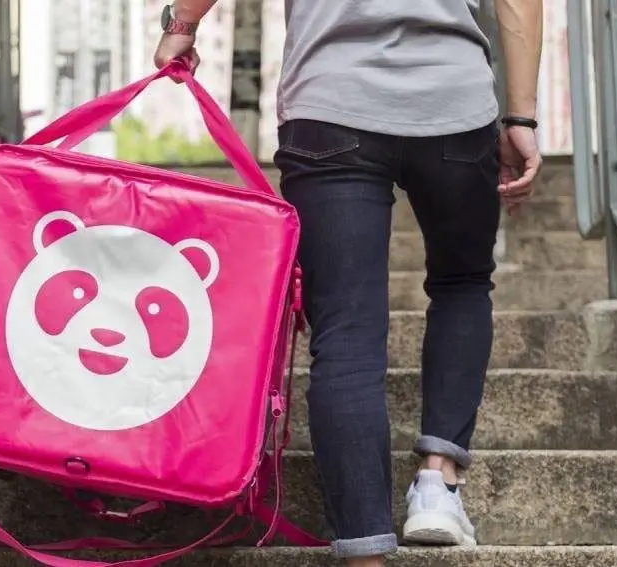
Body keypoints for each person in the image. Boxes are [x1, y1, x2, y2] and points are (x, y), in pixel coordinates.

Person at [155, 1, 543, 565]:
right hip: (453, 104)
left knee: (346, 333)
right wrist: (522, 118)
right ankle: (438, 484)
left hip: (330, 103)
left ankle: (364, 553)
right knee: (461, 284)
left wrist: (183, 24)